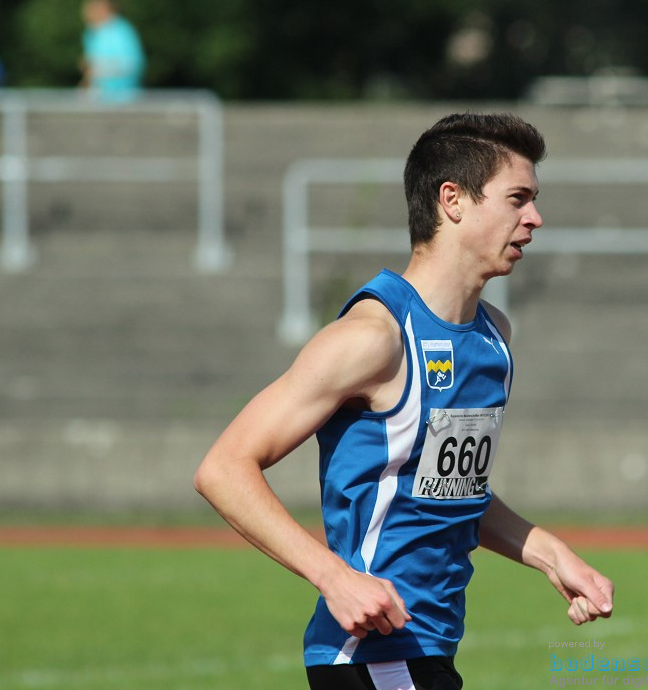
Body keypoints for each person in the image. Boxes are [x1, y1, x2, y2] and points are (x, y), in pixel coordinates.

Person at [194, 113, 614, 690]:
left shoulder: (494, 338)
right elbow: (223, 468)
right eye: (518, 199)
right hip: (370, 656)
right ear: (453, 200)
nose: (535, 219)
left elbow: (444, 488)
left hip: (426, 649)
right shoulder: (373, 337)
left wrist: (547, 552)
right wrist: (333, 577)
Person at [79, 0, 144, 101]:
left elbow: (131, 65)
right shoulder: (90, 33)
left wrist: (97, 69)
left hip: (124, 97)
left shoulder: (122, 31)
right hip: (100, 97)